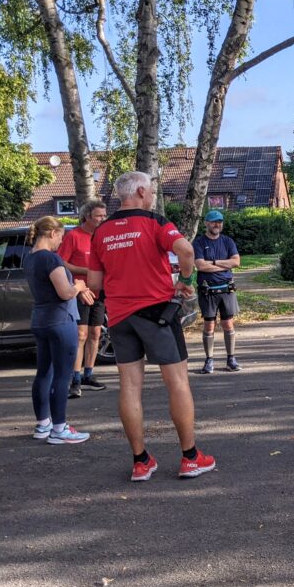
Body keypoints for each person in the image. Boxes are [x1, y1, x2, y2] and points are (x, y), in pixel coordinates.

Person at [88, 171, 215, 480]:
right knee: (177, 382)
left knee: (130, 387)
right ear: (142, 191)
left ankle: (141, 461)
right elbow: (186, 250)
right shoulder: (154, 222)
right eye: (153, 189)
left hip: (119, 317)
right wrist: (184, 281)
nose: (154, 194)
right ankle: (190, 457)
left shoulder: (101, 231)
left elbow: (94, 282)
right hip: (157, 313)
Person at [23, 217, 91, 444]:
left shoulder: (30, 257)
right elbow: (64, 292)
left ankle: (43, 424)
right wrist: (79, 286)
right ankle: (60, 429)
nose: (61, 242)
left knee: (44, 372)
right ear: (52, 233)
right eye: (60, 237)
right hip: (61, 321)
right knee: (63, 376)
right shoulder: (51, 258)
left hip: (40, 319)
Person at [58, 199, 108, 397]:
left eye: (104, 216)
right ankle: (75, 379)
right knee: (81, 335)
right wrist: (86, 272)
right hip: (80, 291)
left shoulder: (102, 236)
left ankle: (89, 374)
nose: (102, 219)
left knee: (96, 334)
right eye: (98, 216)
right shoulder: (74, 236)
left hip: (99, 292)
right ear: (87, 216)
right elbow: (61, 263)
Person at [193, 209, 242, 373]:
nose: (217, 224)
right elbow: (200, 265)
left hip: (226, 289)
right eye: (214, 221)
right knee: (209, 326)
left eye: (219, 221)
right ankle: (209, 360)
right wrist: (223, 265)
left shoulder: (228, 241)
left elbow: (236, 262)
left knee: (228, 324)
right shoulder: (199, 243)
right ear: (206, 223)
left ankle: (231, 359)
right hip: (208, 291)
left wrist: (213, 262)